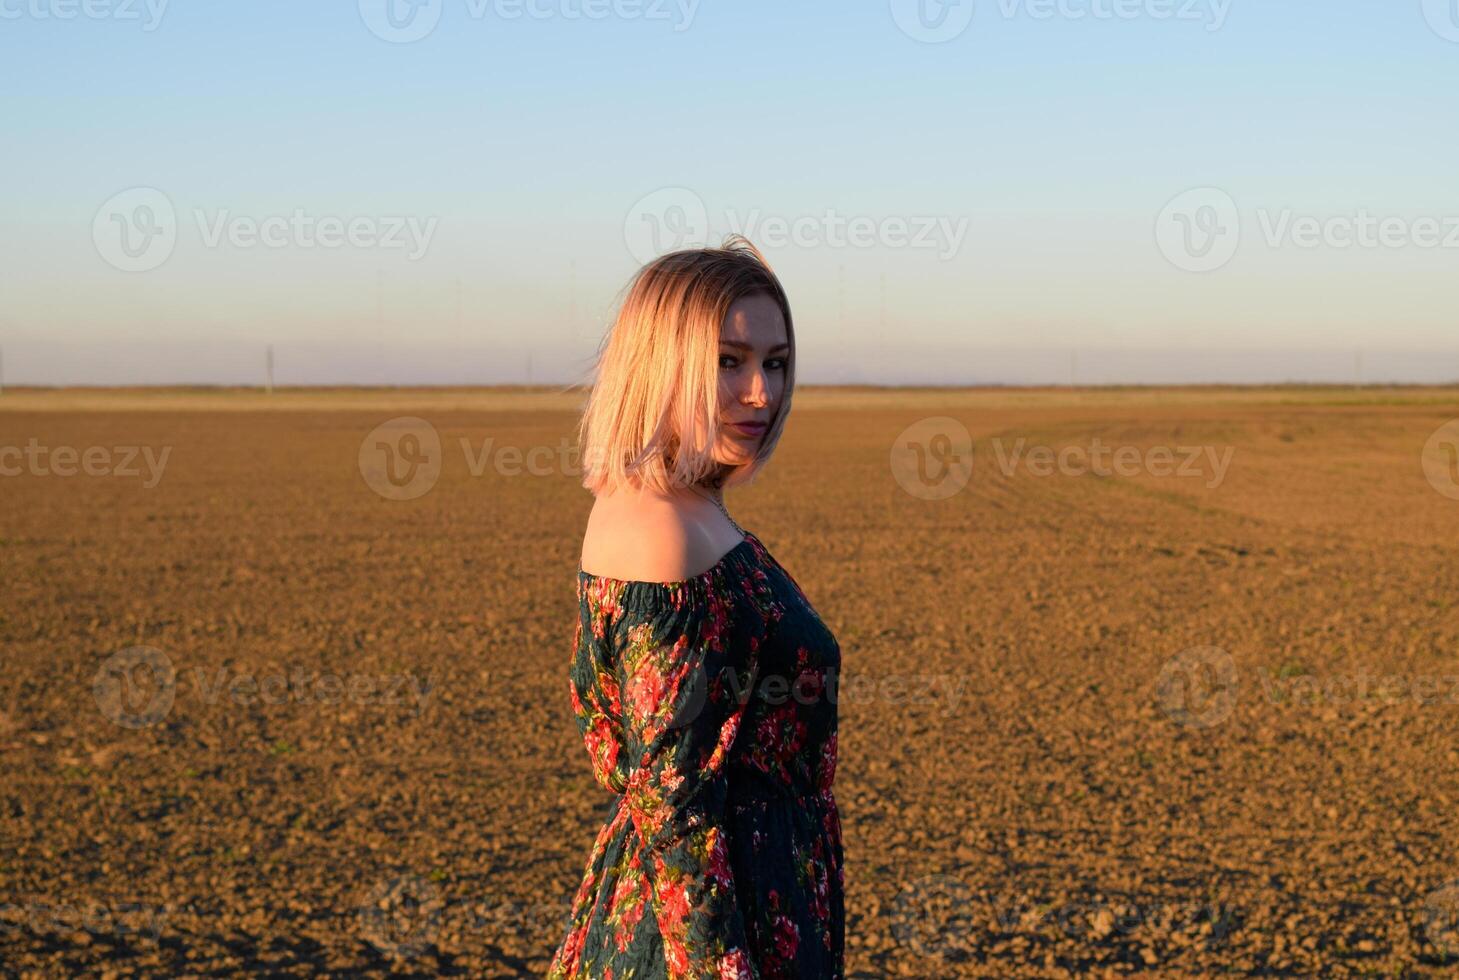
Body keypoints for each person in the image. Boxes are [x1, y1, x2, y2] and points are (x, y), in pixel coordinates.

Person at [547, 236, 845, 979]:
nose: (760, 393)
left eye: (774, 363)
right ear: (660, 363)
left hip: (757, 900)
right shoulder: (659, 534)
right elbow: (673, 809)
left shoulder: (687, 507)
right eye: (727, 361)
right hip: (707, 938)